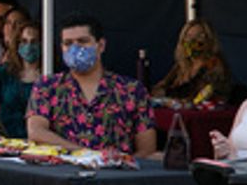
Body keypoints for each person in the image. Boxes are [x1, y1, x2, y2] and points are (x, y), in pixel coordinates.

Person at [26, 11, 157, 157]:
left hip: (115, 176)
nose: (75, 49)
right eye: (68, 43)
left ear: (100, 45)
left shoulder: (131, 90)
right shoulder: (47, 86)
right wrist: (84, 154)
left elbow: (147, 149)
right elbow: (36, 132)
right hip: (62, 174)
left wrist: (120, 165)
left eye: (82, 41)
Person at [152, 18, 235, 103]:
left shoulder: (214, 63)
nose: (192, 40)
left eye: (199, 36)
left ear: (209, 40)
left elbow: (192, 91)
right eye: (188, 36)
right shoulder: (181, 65)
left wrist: (166, 93)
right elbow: (161, 86)